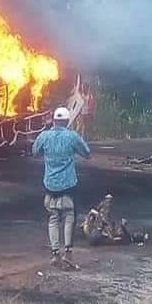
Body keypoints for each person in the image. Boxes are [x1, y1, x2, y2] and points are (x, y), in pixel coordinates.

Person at [33, 107, 91, 268]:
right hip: (68, 185)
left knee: (53, 218)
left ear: (53, 120)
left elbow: (34, 151)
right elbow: (87, 153)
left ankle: (55, 254)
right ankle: (68, 253)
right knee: (69, 217)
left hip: (50, 185)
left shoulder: (44, 136)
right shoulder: (72, 136)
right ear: (67, 121)